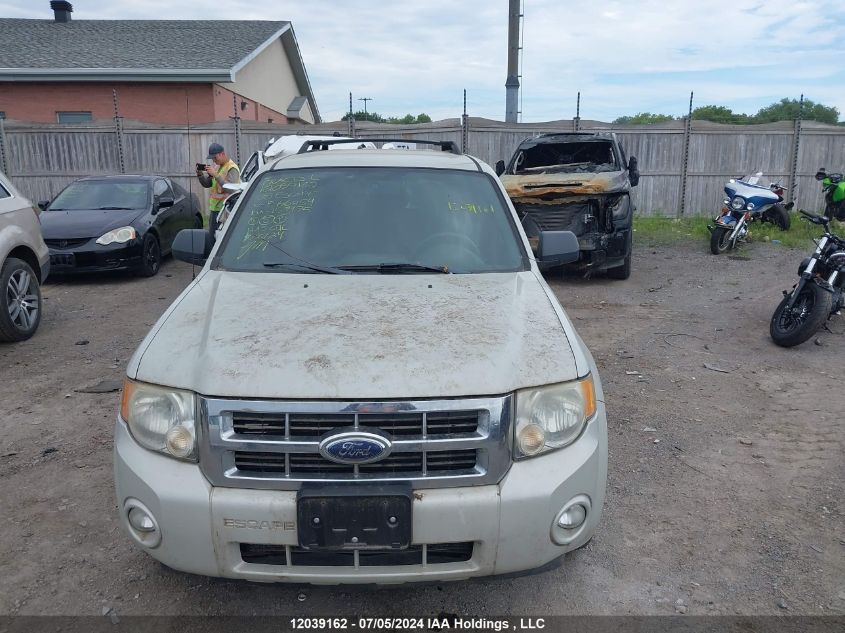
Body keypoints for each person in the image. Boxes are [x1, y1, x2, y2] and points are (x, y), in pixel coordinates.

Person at [196, 143, 240, 230]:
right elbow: (207, 184)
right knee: (212, 237)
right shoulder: (216, 167)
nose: (213, 161)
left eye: (215, 157)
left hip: (225, 211)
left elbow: (232, 190)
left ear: (222, 154)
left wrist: (216, 175)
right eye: (212, 158)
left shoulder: (232, 168)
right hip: (214, 210)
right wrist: (200, 175)